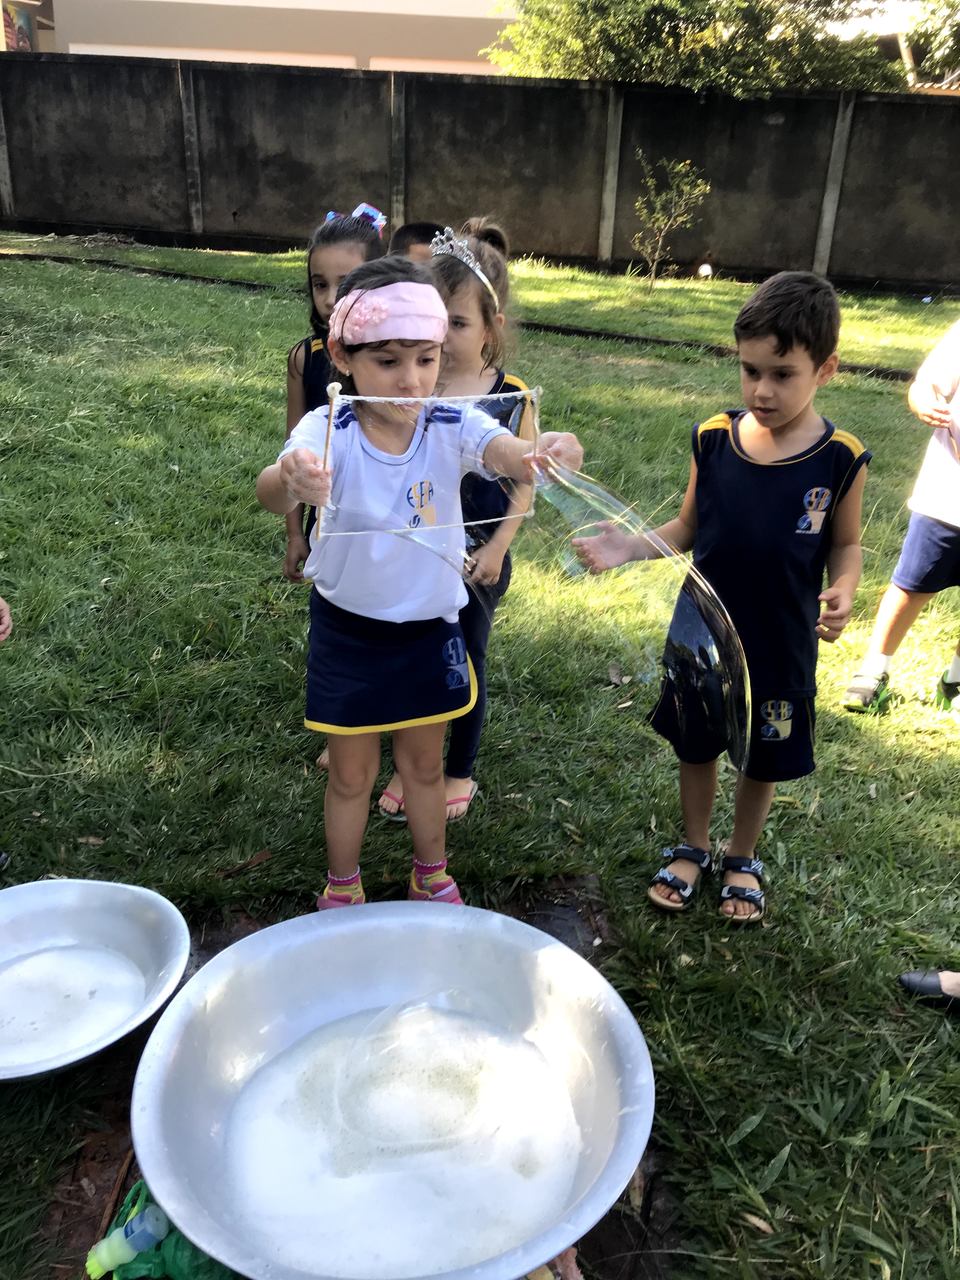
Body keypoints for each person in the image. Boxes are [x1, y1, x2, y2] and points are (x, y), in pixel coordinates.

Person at [256, 255, 583, 909]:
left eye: (426, 359)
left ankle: (430, 873)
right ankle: (342, 885)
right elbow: (270, 490)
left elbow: (504, 452)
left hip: (430, 628)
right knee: (351, 775)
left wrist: (540, 453)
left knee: (425, 766)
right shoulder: (328, 428)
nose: (411, 379)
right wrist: (291, 479)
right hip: (348, 631)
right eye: (388, 361)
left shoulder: (449, 422)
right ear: (343, 356)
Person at [575, 271, 870, 923]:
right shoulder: (713, 438)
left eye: (783, 374)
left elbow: (846, 544)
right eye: (750, 370)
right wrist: (628, 546)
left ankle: (742, 855)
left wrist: (845, 587)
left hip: (781, 639)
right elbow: (687, 527)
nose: (762, 390)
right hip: (701, 629)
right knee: (697, 742)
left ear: (826, 369)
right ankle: (694, 845)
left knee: (761, 754)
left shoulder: (840, 458)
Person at [377, 218, 528, 823]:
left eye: (458, 323)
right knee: (412, 653)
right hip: (419, 548)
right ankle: (408, 763)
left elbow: (525, 481)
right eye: (435, 320)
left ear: (492, 326)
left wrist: (497, 548)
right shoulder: (413, 388)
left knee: (462, 659)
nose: (443, 334)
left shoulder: (511, 396)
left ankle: (458, 768)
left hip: (477, 559)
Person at [843, 319, 960, 714]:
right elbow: (925, 384)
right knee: (911, 584)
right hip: (947, 498)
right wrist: (923, 401)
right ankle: (874, 668)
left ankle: (956, 680)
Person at [283, 205, 386, 584]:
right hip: (330, 522)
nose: (329, 299)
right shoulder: (304, 359)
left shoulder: (402, 356)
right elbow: (292, 452)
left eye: (344, 284)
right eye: (319, 284)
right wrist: (295, 534)